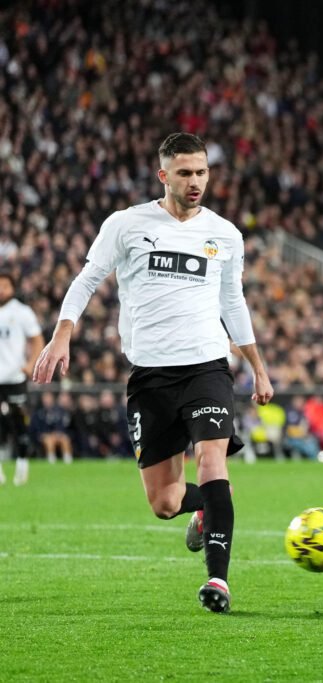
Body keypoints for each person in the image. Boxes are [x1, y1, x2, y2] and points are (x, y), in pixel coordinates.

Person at [33, 132, 274, 613]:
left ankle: (218, 582)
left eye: (202, 172)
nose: (195, 182)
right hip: (150, 376)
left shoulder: (225, 235)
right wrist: (63, 333)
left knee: (213, 462)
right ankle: (205, 506)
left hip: (207, 366)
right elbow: (87, 280)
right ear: (163, 175)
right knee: (165, 502)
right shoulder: (126, 224)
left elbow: (233, 302)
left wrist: (257, 368)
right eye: (184, 173)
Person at [0, 272, 43, 486]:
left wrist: (31, 364)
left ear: (12, 288)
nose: (1, 290)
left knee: (19, 424)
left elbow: (37, 340)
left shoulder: (21, 312)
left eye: (5, 286)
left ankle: (22, 464)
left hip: (14, 377)